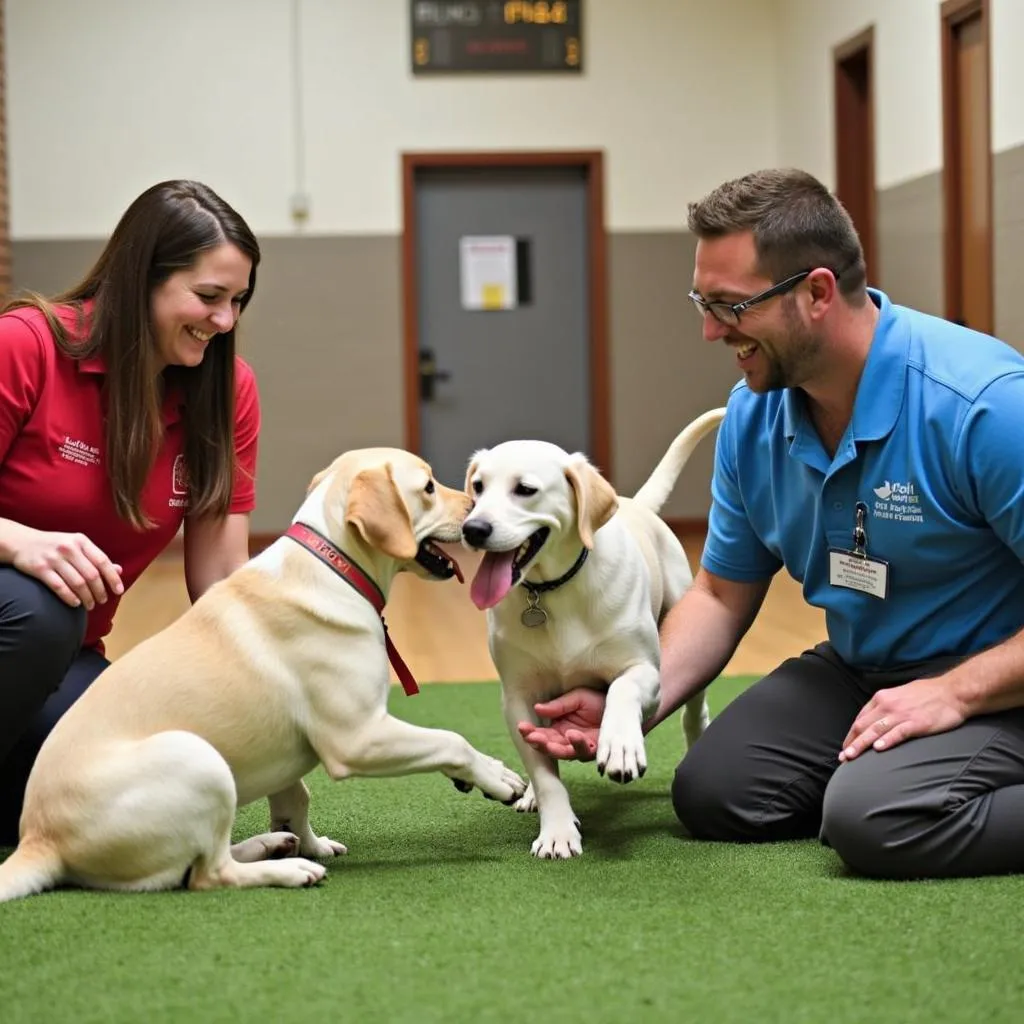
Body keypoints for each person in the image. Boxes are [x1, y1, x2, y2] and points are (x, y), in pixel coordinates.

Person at [517, 166, 1024, 880]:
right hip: (864, 668)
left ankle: (896, 787)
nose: (707, 330)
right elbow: (721, 596)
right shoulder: (754, 416)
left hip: (1002, 681)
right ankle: (900, 776)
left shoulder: (985, 406)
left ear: (816, 293)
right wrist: (630, 704)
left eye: (729, 306)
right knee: (715, 792)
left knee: (873, 819)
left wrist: (956, 692)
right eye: (703, 302)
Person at [0, 179, 262, 843]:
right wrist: (19, 544)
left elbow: (222, 582)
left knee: (123, 785)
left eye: (238, 301)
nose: (225, 320)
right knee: (40, 607)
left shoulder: (226, 390)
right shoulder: (25, 345)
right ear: (140, 279)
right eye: (208, 297)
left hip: (64, 655)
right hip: (23, 625)